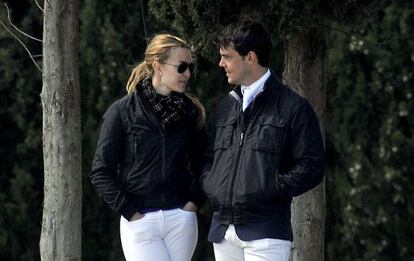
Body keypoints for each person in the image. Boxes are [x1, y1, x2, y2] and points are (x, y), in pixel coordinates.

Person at [201, 19, 325, 261]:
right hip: (223, 231)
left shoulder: (293, 107)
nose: (221, 63)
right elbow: (209, 158)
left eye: (227, 56)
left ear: (250, 57)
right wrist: (211, 184)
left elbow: (312, 166)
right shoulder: (225, 107)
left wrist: (272, 187)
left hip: (267, 232)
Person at [89, 33, 206, 261]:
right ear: (158, 66)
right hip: (140, 221)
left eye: (190, 67)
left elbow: (205, 164)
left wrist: (192, 205)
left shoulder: (190, 112)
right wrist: (131, 213)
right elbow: (101, 171)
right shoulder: (122, 112)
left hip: (181, 219)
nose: (188, 74)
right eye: (181, 67)